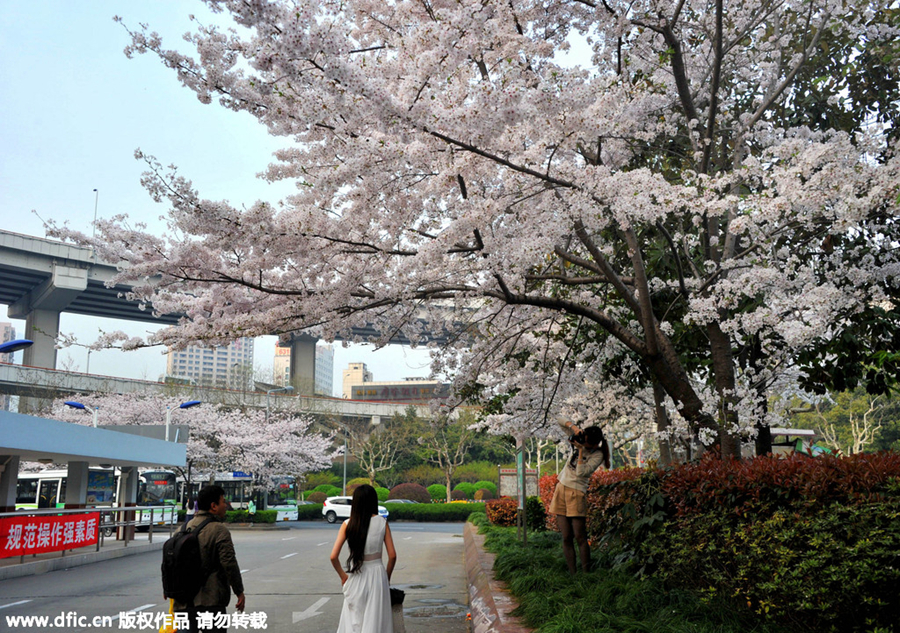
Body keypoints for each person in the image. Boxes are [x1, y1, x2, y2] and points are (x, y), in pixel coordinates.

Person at [174, 485, 245, 632]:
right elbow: (229, 563)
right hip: (211, 602)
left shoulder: (181, 529)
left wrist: (168, 589)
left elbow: (170, 562)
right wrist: (239, 591)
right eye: (223, 502)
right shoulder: (219, 530)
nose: (226, 505)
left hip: (183, 603)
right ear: (213, 506)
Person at [329, 484, 397, 633]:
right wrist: (387, 577)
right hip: (378, 575)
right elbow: (392, 556)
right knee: (376, 621)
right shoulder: (382, 522)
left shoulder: (348, 524)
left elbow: (333, 556)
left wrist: (343, 576)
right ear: (374, 501)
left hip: (357, 574)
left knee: (355, 621)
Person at [550, 418, 611, 574]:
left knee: (580, 536)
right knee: (566, 536)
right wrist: (575, 428)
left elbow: (581, 472)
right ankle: (572, 574)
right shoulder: (580, 438)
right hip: (561, 488)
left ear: (594, 444)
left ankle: (586, 573)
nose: (583, 443)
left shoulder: (597, 455)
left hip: (576, 492)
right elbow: (559, 420)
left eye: (586, 443)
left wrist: (582, 451)